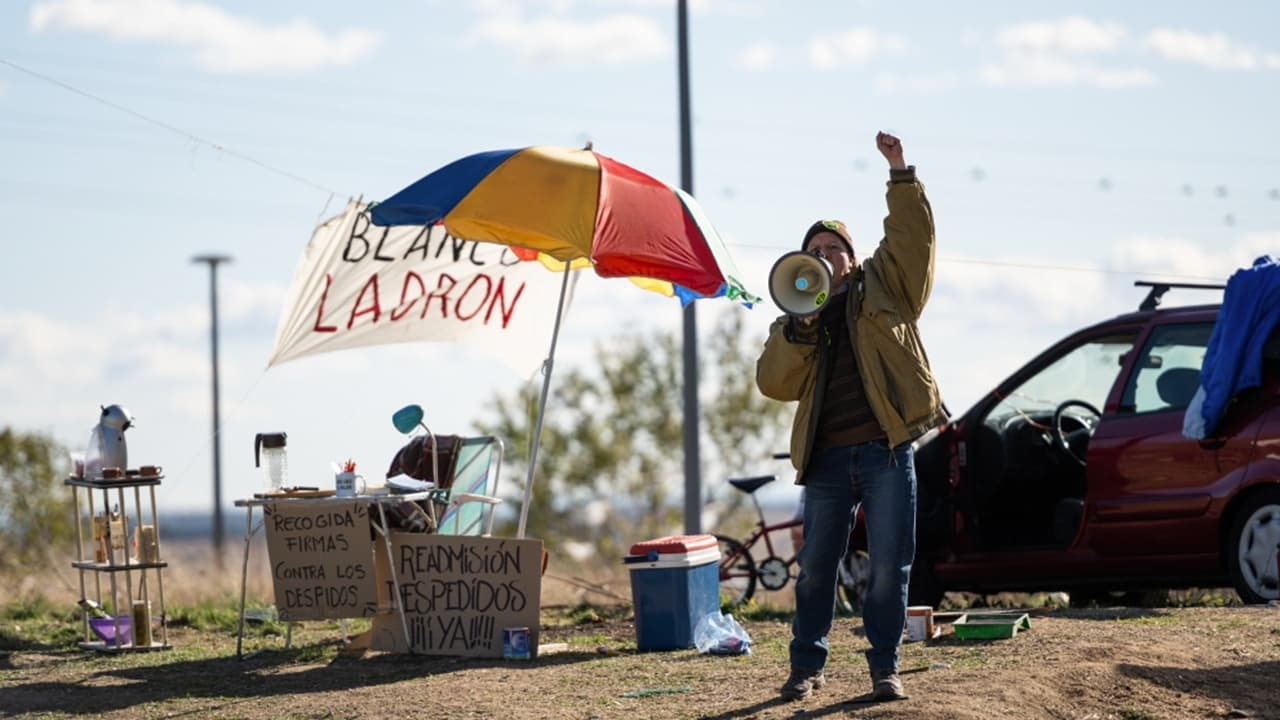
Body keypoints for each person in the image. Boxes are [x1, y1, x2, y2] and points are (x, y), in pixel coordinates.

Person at [756, 131, 946, 703]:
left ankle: (884, 669)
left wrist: (900, 174)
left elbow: (912, 240)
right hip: (828, 463)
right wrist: (800, 329)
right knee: (816, 569)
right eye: (813, 250)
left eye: (832, 249)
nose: (822, 256)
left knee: (890, 567)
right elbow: (773, 382)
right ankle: (805, 668)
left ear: (852, 260)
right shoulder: (793, 322)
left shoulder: (886, 287)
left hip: (886, 452)